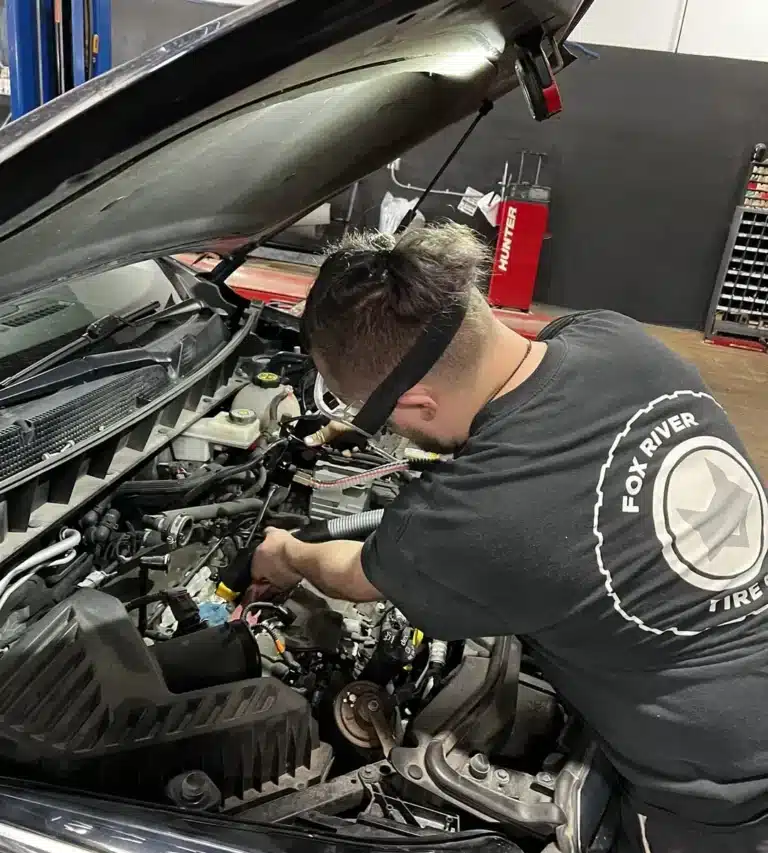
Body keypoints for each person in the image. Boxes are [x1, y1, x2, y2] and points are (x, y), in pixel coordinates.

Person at [250, 222, 768, 853]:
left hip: (719, 785)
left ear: (415, 404)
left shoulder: (470, 518)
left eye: (378, 418)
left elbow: (353, 575)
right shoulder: (615, 335)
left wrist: (285, 551)